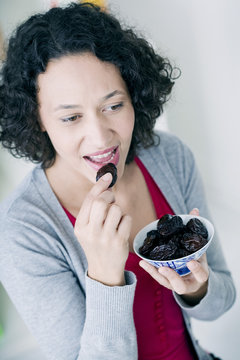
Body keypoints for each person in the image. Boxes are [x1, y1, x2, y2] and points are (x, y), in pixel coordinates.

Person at [0, 3, 236, 360]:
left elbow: (222, 302)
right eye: (71, 117)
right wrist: (105, 275)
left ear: (134, 95)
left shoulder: (169, 157)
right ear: (38, 119)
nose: (100, 139)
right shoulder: (22, 230)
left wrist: (196, 288)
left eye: (113, 106)